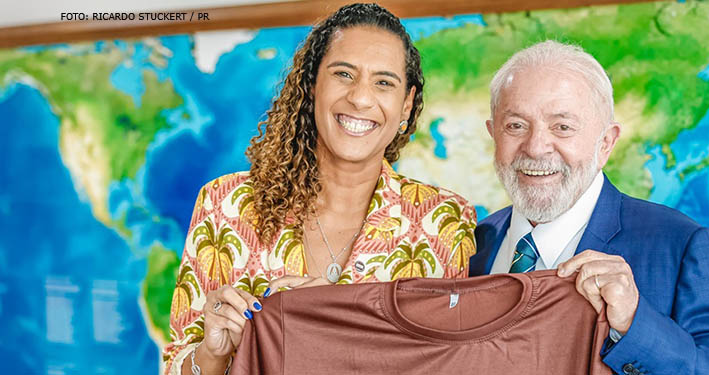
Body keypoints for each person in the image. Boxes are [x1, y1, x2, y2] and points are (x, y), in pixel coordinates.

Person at [162, 4, 477, 375]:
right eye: (344, 74)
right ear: (313, 86)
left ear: (406, 104)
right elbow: (175, 366)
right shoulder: (225, 205)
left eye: (384, 82)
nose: (360, 98)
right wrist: (213, 355)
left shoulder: (445, 222)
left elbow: (454, 364)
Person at [470, 41, 709, 375]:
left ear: (606, 142)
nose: (536, 147)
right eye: (515, 126)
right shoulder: (473, 245)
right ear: (493, 135)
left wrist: (635, 323)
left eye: (562, 127)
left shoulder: (682, 246)